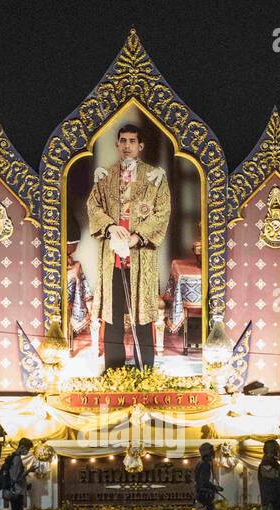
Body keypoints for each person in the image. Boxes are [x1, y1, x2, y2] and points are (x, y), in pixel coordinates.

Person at [87, 123, 170, 370]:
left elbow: (162, 212)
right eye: (123, 141)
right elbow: (93, 207)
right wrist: (111, 227)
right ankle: (114, 369)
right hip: (112, 257)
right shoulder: (106, 176)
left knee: (142, 316)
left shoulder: (155, 178)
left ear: (140, 146)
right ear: (117, 145)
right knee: (111, 318)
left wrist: (137, 237)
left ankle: (145, 369)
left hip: (141, 258)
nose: (127, 146)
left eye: (132, 141)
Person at [2, 438, 35, 510]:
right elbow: (15, 478)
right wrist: (28, 471)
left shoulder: (14, 457)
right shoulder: (16, 459)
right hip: (16, 492)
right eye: (27, 449)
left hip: (15, 491)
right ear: (21, 447)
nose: (28, 451)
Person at [193, 442, 223, 510]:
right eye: (212, 451)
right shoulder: (204, 464)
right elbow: (203, 482)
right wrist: (215, 487)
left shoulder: (203, 463)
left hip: (205, 498)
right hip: (204, 499)